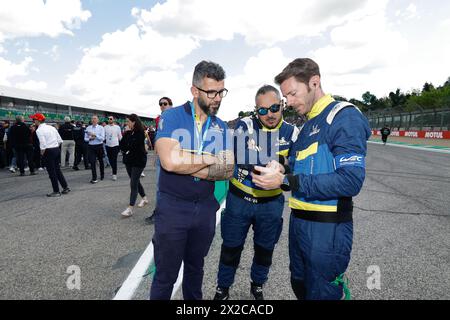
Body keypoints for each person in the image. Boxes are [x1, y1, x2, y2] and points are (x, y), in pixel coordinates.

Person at [251, 58, 371, 300]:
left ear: (314, 82)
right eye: (287, 97)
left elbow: (350, 181)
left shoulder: (342, 117)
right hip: (299, 224)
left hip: (327, 228)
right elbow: (295, 164)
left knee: (322, 293)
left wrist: (286, 182)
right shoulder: (306, 126)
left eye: (293, 94)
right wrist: (281, 165)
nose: (290, 102)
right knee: (300, 286)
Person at [150, 60, 234, 300]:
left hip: (206, 207)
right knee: (166, 274)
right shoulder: (173, 116)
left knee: (196, 269)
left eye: (221, 92)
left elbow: (227, 169)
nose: (218, 98)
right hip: (173, 206)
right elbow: (169, 162)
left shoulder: (220, 125)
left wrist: (187, 160)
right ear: (195, 91)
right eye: (212, 92)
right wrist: (209, 158)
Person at [214, 85, 300, 300]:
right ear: (256, 110)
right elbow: (243, 157)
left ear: (281, 104)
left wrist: (285, 167)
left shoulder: (293, 131)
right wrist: (282, 162)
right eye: (262, 110)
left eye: (273, 108)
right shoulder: (246, 124)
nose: (268, 114)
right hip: (239, 201)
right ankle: (223, 288)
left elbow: (299, 167)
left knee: (264, 250)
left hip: (270, 206)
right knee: (231, 248)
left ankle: (258, 285)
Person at [144, 97, 173, 225]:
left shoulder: (174, 117)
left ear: (171, 105)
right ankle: (160, 213)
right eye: (160, 104)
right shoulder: (160, 119)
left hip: (172, 157)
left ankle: (164, 213)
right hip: (162, 157)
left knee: (168, 187)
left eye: (165, 104)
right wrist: (155, 155)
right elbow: (158, 138)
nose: (162, 106)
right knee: (160, 187)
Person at [31, 113, 70, 197]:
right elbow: (60, 140)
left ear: (38, 120)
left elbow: (43, 143)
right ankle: (65, 187)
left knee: (51, 172)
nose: (33, 121)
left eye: (34, 120)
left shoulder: (39, 130)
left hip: (48, 151)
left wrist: (42, 153)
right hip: (56, 149)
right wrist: (54, 147)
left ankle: (56, 191)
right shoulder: (51, 127)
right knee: (57, 170)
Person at [119, 114, 149, 217]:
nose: (126, 123)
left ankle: (130, 208)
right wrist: (127, 134)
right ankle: (144, 198)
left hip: (139, 161)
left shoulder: (140, 133)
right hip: (129, 161)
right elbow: (122, 145)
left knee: (133, 183)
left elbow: (132, 146)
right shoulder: (128, 133)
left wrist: (128, 146)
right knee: (135, 180)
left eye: (128, 121)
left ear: (133, 122)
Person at [84, 115, 105, 184]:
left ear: (98, 120)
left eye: (95, 118)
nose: (93, 120)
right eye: (92, 118)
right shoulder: (88, 128)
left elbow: (102, 138)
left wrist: (95, 135)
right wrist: (90, 138)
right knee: (92, 162)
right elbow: (85, 139)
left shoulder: (101, 128)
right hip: (91, 147)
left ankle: (102, 175)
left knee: (101, 161)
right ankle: (94, 178)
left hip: (99, 146)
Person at [105, 116, 122, 181]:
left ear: (113, 120)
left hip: (115, 145)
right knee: (110, 160)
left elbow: (120, 136)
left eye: (111, 119)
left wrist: (123, 143)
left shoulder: (117, 127)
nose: (110, 120)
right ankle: (113, 170)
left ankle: (114, 174)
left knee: (114, 160)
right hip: (108, 145)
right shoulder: (105, 127)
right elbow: (104, 136)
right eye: (109, 119)